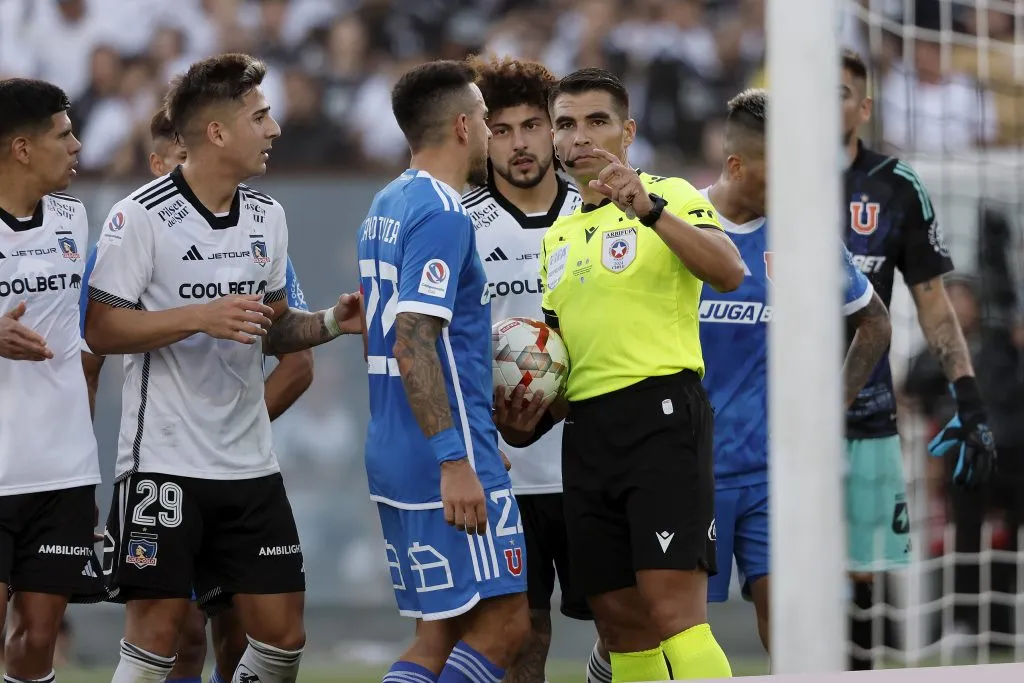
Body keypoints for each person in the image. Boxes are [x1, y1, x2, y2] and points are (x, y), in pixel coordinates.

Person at [83, 53, 362, 683]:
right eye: (260, 116)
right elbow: (100, 326)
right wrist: (196, 316)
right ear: (216, 132)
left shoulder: (269, 216)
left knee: (284, 636)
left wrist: (330, 323)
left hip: (249, 463)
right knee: (158, 634)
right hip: (163, 460)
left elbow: (272, 326)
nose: (274, 130)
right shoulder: (140, 216)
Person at [505, 67, 745, 682]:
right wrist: (528, 415)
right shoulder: (556, 238)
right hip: (586, 432)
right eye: (566, 124)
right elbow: (562, 357)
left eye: (596, 121)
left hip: (662, 420)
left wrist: (650, 209)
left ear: (627, 130)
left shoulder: (674, 195)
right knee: (620, 625)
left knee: (675, 615)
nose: (579, 136)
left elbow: (729, 272)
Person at [698, 88, 891, 657]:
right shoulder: (682, 225)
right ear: (736, 165)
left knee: (789, 631)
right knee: (678, 634)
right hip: (688, 471)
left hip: (770, 474)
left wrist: (828, 412)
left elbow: (874, 324)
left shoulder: (803, 238)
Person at [357, 59, 530, 683]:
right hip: (442, 457)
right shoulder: (444, 214)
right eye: (486, 119)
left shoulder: (388, 201)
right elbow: (414, 343)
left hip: (399, 445)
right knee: (507, 626)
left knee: (438, 636)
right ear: (463, 125)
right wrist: (458, 458)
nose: (490, 132)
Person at [840, 48, 996, 670]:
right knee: (783, 576)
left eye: (843, 92)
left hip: (870, 413)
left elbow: (933, 303)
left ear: (864, 105)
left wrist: (968, 392)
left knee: (862, 580)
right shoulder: (771, 180)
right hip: (780, 412)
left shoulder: (897, 186)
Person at [461, 54, 584, 683]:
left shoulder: (594, 216)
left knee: (628, 624)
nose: (519, 144)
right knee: (521, 637)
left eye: (532, 126)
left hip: (592, 458)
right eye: (501, 130)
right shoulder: (462, 224)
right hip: (504, 471)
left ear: (553, 130)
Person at [0, 78, 105, 683]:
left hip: (62, 467)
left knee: (38, 638)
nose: (77, 145)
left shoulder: (74, 217)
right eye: (63, 134)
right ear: (21, 147)